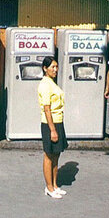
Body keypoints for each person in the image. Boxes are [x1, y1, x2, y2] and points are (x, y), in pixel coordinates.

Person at [38, 56, 68, 199]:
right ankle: (49, 187)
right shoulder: (45, 84)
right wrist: (52, 130)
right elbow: (47, 109)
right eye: (52, 67)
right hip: (50, 124)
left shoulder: (52, 83)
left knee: (56, 155)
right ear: (45, 68)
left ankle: (55, 185)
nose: (55, 69)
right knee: (48, 155)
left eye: (56, 67)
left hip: (58, 121)